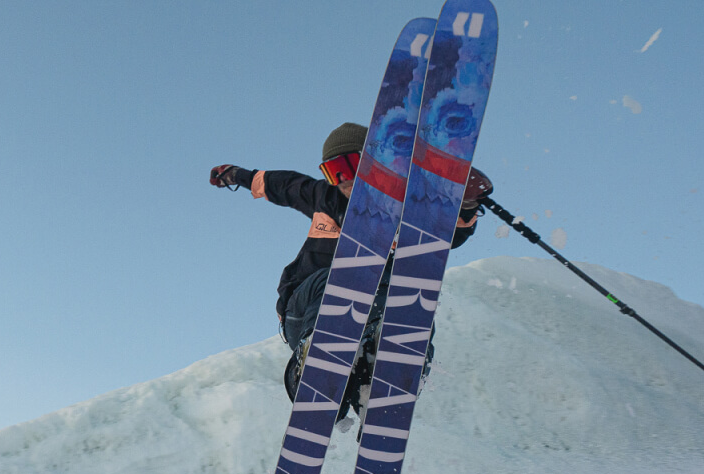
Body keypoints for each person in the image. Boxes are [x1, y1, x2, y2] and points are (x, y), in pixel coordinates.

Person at [209, 121, 492, 413]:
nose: (342, 180)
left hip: (368, 318)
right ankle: (317, 363)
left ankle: (384, 377)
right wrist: (234, 175)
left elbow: (450, 232)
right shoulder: (323, 197)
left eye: (350, 165)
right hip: (306, 310)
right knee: (339, 276)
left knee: (412, 295)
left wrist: (466, 202)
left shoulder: (403, 212)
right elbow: (277, 185)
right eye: (333, 172)